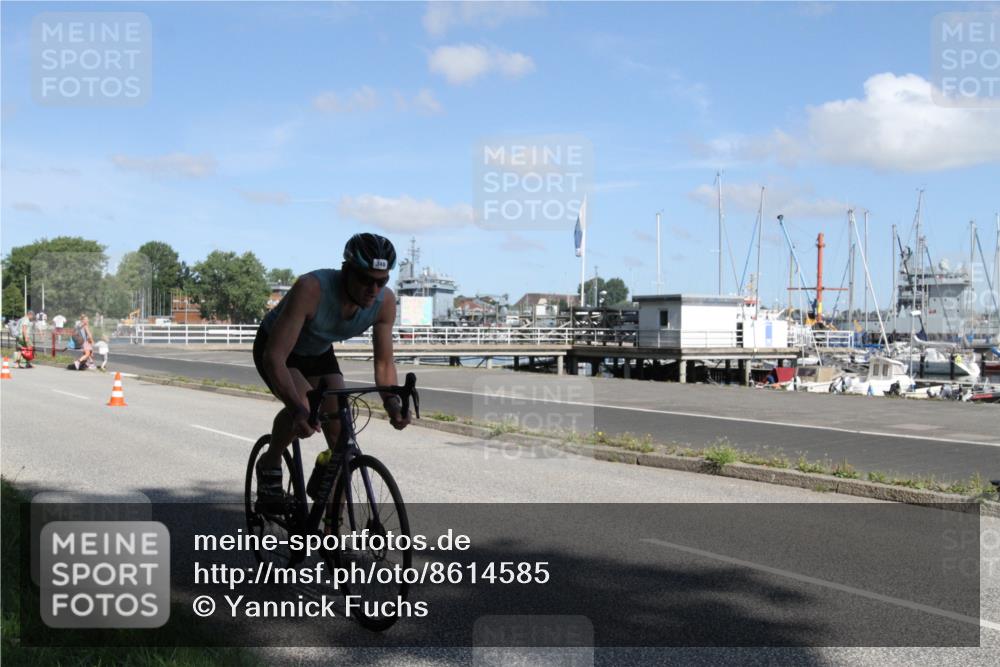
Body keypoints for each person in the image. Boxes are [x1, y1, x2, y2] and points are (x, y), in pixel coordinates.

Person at [253, 233, 410, 508]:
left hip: (318, 351)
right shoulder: (311, 288)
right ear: (346, 270)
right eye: (365, 279)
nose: (373, 289)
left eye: (381, 281)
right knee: (303, 404)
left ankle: (331, 534)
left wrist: (392, 402)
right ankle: (270, 463)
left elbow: (384, 363)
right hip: (278, 349)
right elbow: (275, 357)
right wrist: (297, 408)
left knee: (341, 438)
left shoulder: (384, 303)